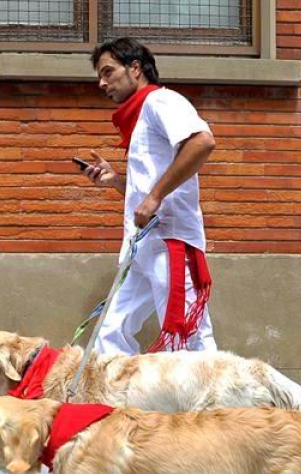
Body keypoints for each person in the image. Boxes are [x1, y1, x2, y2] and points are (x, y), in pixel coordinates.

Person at [83, 37, 217, 356]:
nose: (102, 83)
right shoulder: (139, 117)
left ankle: (219, 405)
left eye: (108, 72)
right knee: (110, 331)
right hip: (141, 247)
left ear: (135, 68)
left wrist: (155, 197)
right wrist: (116, 181)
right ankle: (118, 402)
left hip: (168, 242)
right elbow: (147, 186)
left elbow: (202, 142)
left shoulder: (161, 102)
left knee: (187, 335)